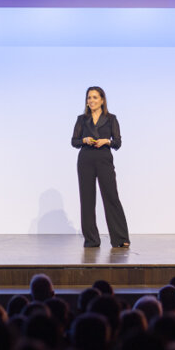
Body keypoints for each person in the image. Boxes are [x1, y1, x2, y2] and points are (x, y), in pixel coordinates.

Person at [71, 86, 130, 248]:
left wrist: (107, 141)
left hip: (104, 158)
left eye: (95, 97)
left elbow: (118, 142)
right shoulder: (81, 119)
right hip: (86, 159)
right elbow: (74, 141)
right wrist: (84, 140)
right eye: (89, 98)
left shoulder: (111, 119)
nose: (91, 101)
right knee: (87, 199)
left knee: (111, 196)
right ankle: (91, 239)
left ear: (102, 100)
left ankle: (120, 238)